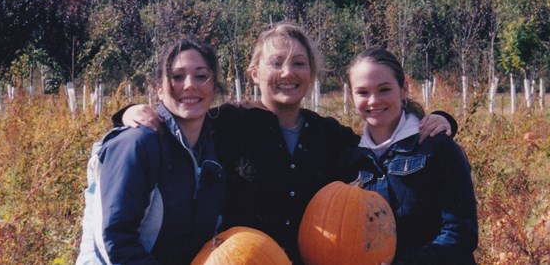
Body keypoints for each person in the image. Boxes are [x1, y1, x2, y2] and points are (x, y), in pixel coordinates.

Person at [115, 22, 457, 264]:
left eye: (298, 63)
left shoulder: (326, 134)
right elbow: (179, 117)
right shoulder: (226, 122)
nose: (287, 73)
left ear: (311, 73)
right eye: (275, 63)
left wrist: (442, 118)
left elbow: (384, 148)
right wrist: (127, 112)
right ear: (254, 73)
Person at [76, 38, 226, 264]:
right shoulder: (138, 143)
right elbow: (114, 240)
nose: (189, 85)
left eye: (201, 76)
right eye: (177, 76)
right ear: (159, 90)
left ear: (214, 88)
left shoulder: (212, 150)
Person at [346, 47, 477, 264]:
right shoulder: (351, 159)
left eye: (384, 89)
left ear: (404, 88)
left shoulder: (436, 148)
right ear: (352, 96)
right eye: (363, 92)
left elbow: (461, 233)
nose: (373, 101)